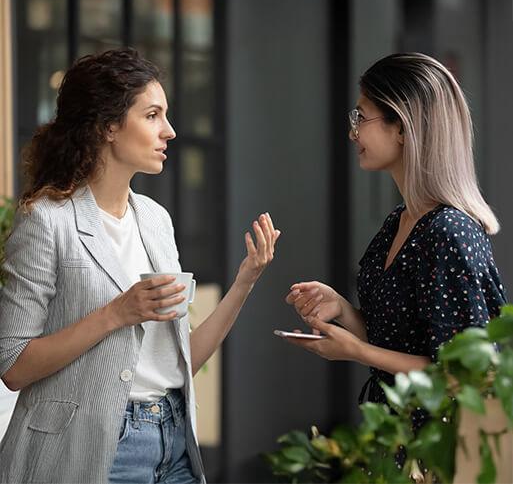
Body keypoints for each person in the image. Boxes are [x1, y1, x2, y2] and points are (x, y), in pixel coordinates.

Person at [0, 48, 280, 484]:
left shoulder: (154, 219)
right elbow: (13, 365)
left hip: (174, 442)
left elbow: (180, 363)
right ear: (109, 125)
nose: (169, 131)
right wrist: (117, 313)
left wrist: (246, 280)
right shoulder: (46, 220)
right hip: (96, 449)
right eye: (152, 115)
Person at [284, 52, 506, 409]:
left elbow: (469, 376)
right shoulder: (400, 221)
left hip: (439, 454)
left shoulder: (450, 232)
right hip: (397, 439)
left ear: (402, 127)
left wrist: (358, 352)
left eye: (361, 116)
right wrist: (341, 309)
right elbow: (400, 342)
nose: (352, 130)